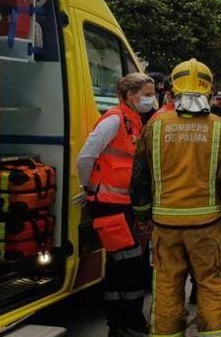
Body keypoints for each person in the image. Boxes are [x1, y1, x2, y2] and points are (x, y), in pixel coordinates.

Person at [129, 58, 221, 337]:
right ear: (208, 89)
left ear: (173, 88)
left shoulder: (155, 126)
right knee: (212, 283)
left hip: (165, 226)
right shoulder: (219, 127)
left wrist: (143, 216)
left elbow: (140, 178)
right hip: (205, 227)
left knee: (167, 285)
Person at [77, 73, 155, 337]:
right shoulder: (114, 119)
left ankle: (126, 322)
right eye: (146, 94)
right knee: (129, 265)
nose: (150, 99)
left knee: (124, 264)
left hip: (123, 205)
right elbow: (86, 156)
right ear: (129, 96)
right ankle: (125, 323)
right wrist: (90, 188)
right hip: (109, 204)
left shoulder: (134, 121)